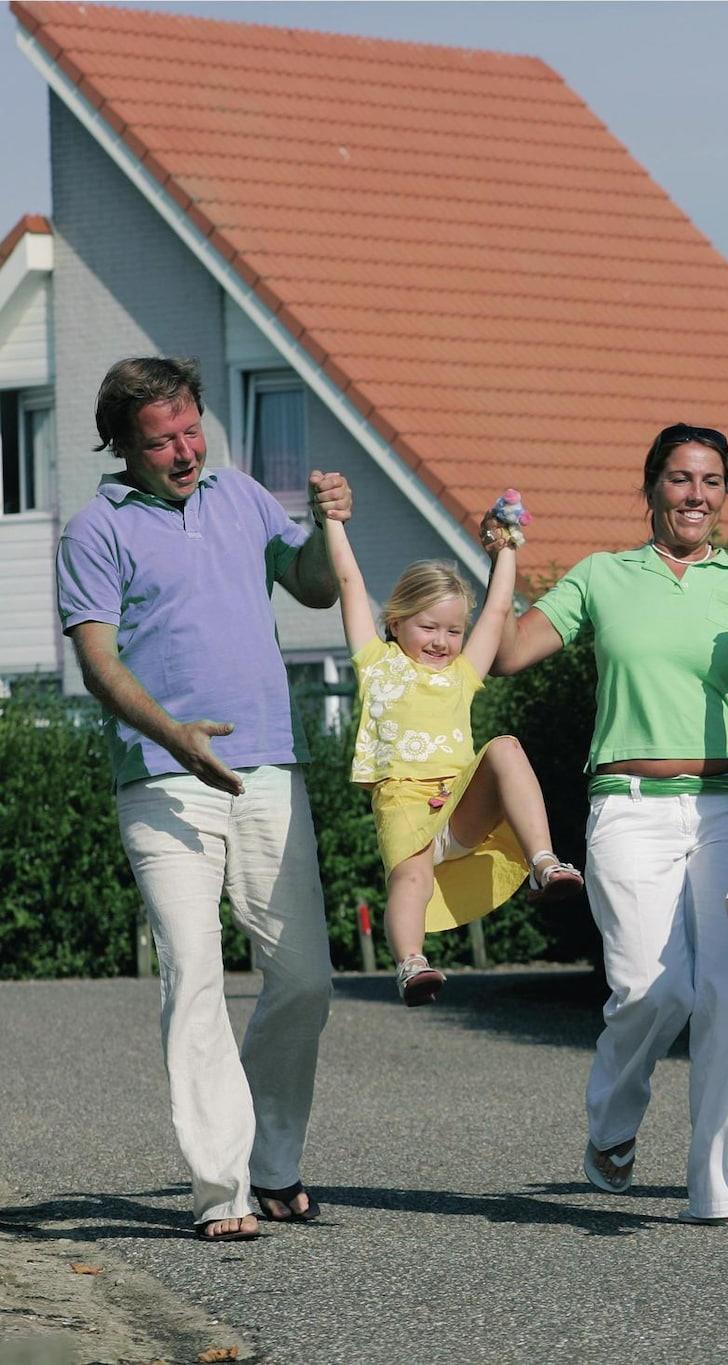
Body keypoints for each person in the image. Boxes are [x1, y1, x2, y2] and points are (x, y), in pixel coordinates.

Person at [55, 357, 344, 1241]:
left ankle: (273, 1159)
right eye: (162, 441)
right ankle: (223, 1188)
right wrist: (174, 733)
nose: (185, 452)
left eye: (191, 431)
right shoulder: (95, 530)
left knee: (306, 977)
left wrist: (327, 525)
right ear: (122, 445)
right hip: (162, 776)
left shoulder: (243, 495)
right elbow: (97, 661)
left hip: (269, 766)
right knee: (194, 974)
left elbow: (315, 585)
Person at [490, 421, 728, 1228]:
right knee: (649, 989)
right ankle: (613, 1123)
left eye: (711, 481)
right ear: (652, 486)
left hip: (727, 804)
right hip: (627, 804)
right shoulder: (602, 575)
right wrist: (504, 557)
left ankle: (714, 1183)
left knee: (727, 991)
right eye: (680, 478)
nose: (697, 494)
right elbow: (508, 653)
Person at [324, 512, 583, 1006]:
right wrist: (332, 521)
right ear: (395, 622)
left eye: (453, 631)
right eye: (428, 627)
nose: (441, 642)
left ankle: (544, 863)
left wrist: (506, 550)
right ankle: (411, 964)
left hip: (459, 804)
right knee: (412, 878)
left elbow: (498, 610)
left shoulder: (462, 674)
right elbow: (350, 582)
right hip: (404, 806)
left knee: (505, 747)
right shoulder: (377, 665)